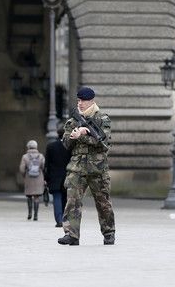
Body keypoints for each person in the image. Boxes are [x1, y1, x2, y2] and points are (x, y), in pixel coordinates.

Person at [58, 87, 115, 246]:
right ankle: (71, 234)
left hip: (98, 168)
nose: (80, 103)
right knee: (72, 201)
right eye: (79, 100)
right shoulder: (72, 121)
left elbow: (103, 143)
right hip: (77, 167)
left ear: (91, 101)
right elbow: (66, 144)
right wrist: (74, 136)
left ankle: (109, 232)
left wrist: (84, 134)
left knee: (103, 202)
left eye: (83, 100)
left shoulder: (103, 118)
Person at [44, 127, 71, 227]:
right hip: (67, 175)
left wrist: (46, 178)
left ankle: (59, 220)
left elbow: (47, 164)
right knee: (65, 198)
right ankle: (65, 219)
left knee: (56, 198)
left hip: (54, 176)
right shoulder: (70, 146)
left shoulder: (51, 146)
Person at [19, 140, 45, 221]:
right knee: (36, 197)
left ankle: (29, 213)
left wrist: (24, 175)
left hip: (29, 178)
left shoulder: (25, 156)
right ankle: (36, 215)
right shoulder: (41, 156)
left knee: (29, 196)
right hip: (38, 178)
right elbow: (43, 167)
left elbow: (22, 169)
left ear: (28, 147)